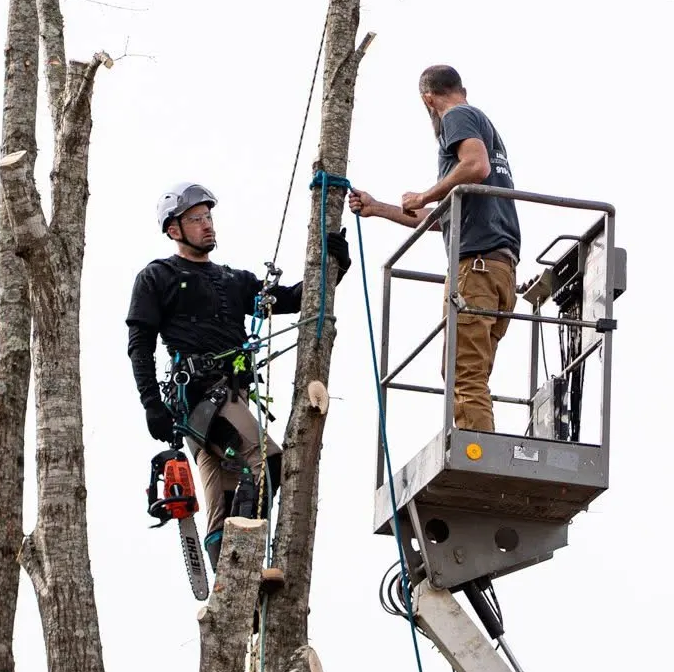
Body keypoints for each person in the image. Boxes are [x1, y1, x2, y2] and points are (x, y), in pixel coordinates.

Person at [127, 181, 348, 554]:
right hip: (201, 398)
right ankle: (243, 562)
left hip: (232, 398)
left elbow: (295, 299)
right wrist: (151, 403)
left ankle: (228, 590)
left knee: (227, 499)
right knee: (268, 461)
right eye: (196, 219)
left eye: (209, 217)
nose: (207, 225)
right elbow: (140, 346)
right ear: (173, 230)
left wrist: (334, 265)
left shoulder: (234, 281)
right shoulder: (157, 277)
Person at [347, 64, 520, 433]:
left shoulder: (456, 116)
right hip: (499, 270)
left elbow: (475, 165)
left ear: (428, 99)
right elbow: (442, 219)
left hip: (475, 267)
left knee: (462, 370)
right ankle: (479, 444)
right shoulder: (481, 126)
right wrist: (379, 208)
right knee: (464, 370)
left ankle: (477, 455)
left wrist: (425, 193)